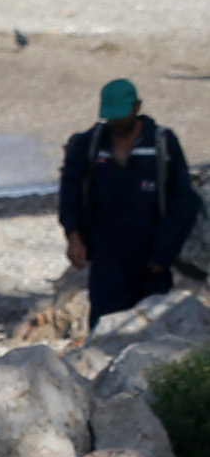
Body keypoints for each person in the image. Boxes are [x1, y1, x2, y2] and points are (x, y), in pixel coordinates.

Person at [62, 79, 202, 322]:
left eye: (121, 116)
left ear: (137, 107)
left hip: (152, 258)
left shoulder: (161, 143)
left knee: (152, 324)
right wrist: (74, 237)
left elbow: (183, 200)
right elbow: (70, 191)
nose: (116, 122)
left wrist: (165, 251)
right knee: (104, 323)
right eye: (111, 117)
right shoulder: (89, 144)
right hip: (106, 255)